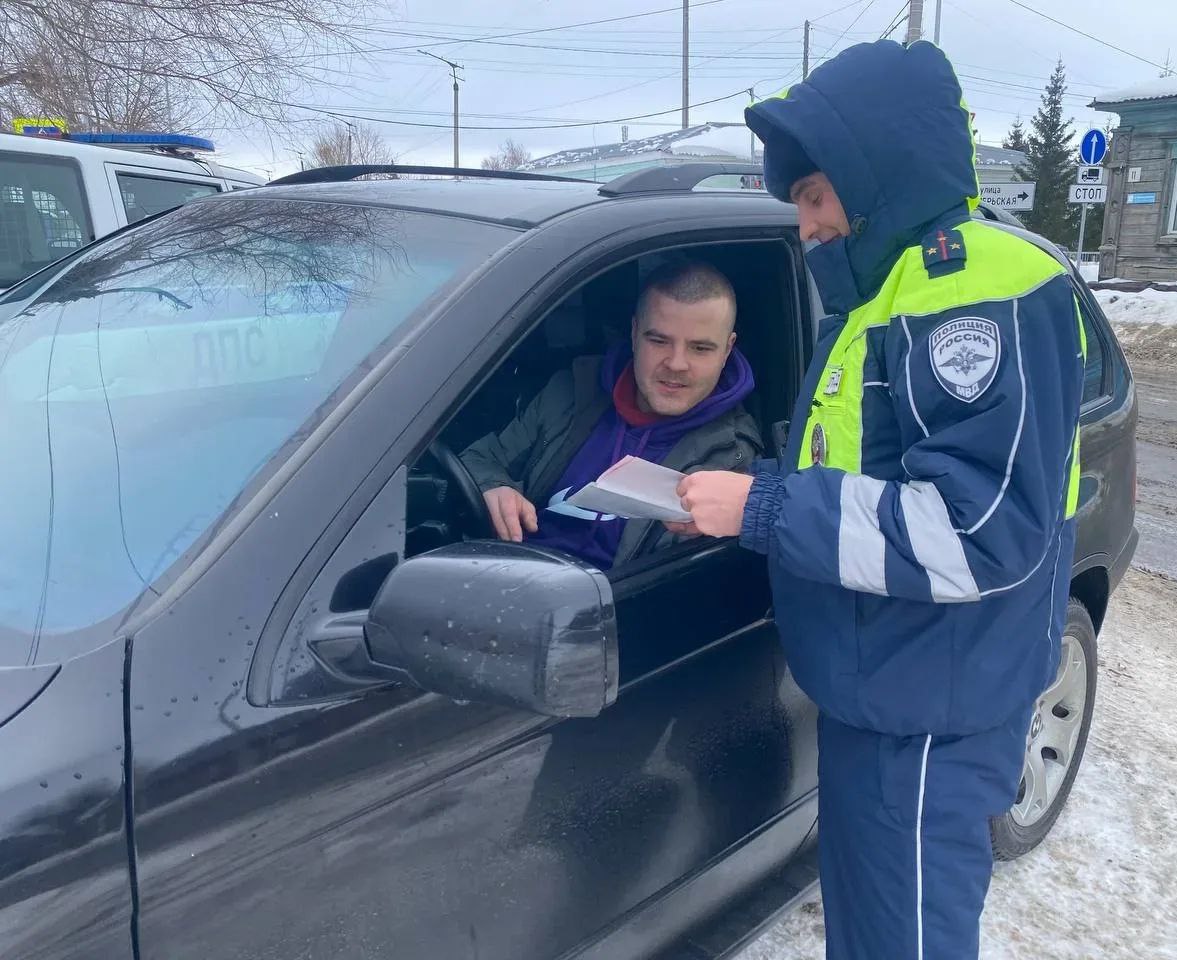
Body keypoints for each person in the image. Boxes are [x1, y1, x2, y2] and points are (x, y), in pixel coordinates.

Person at [667, 40, 1086, 960]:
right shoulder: (885, 295)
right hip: (887, 697)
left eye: (816, 196)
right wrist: (747, 495)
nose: (807, 224)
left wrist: (764, 510)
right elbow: (865, 478)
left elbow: (977, 531)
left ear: (876, 173)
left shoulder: (970, 294)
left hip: (929, 719)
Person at [460, 258, 762, 570]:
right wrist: (493, 486)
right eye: (659, 341)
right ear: (634, 332)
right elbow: (478, 460)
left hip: (607, 597)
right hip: (502, 572)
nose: (676, 363)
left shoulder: (730, 455)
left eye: (700, 348)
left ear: (727, 349)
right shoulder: (573, 391)